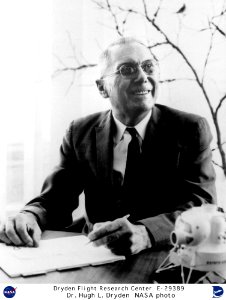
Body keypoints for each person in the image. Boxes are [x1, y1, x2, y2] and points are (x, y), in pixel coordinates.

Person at [0, 37, 216, 256]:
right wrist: (30, 215)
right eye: (127, 69)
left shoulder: (189, 129)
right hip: (95, 253)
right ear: (102, 88)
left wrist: (146, 233)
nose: (143, 77)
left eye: (148, 66)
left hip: (163, 256)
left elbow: (204, 208)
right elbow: (56, 200)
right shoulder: (80, 132)